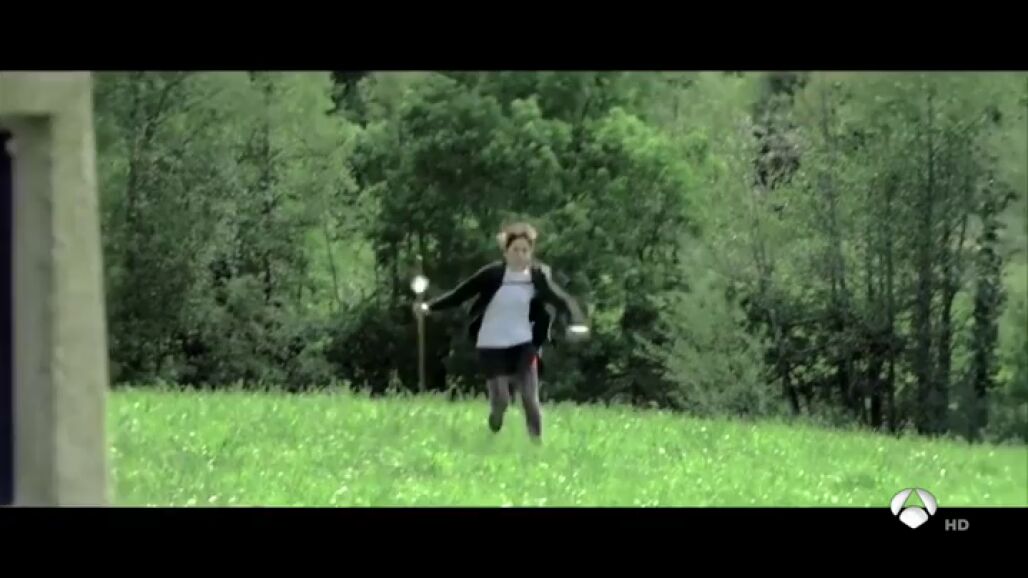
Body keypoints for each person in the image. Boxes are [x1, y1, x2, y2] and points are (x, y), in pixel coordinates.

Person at [413, 222, 589, 441]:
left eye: (525, 250)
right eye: (515, 250)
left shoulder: (537, 277)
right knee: (501, 401)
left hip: (524, 343)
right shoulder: (493, 274)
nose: (520, 255)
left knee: (529, 399)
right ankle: (494, 424)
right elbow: (461, 294)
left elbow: (561, 300)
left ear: (531, 253)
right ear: (506, 252)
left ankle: (537, 446)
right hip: (491, 343)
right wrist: (429, 307)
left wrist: (575, 322)